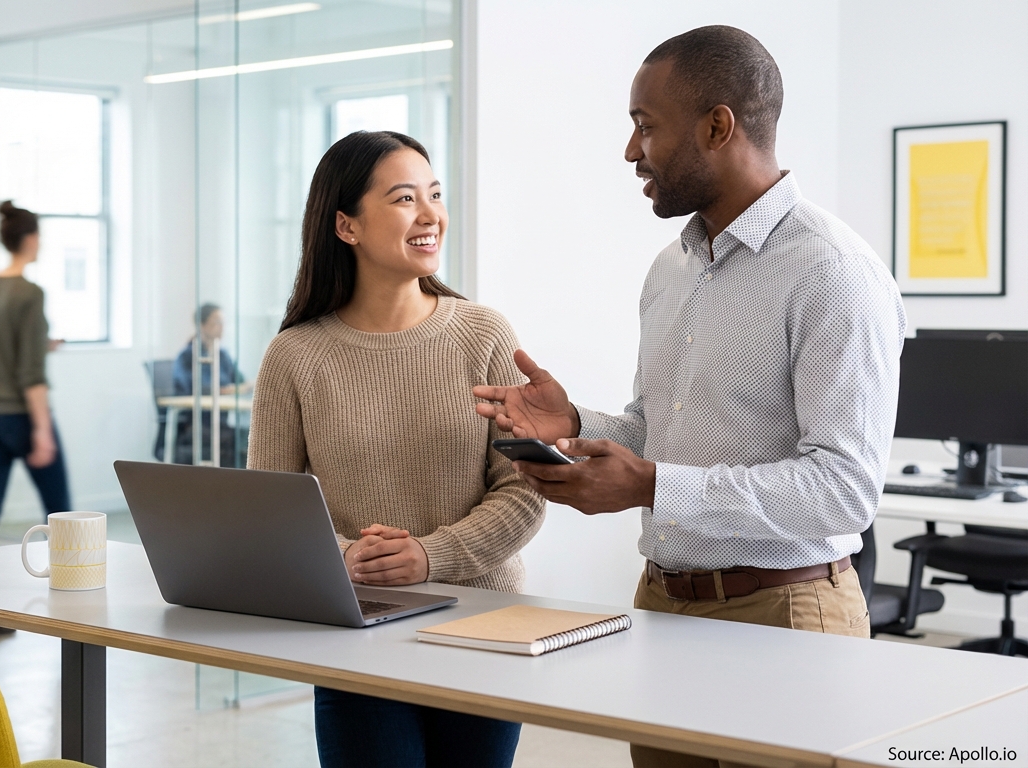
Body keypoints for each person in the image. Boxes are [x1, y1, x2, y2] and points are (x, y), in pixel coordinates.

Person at [473, 26, 905, 768]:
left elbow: (844, 490)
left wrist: (651, 485)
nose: (630, 151)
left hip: (787, 617)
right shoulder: (669, 271)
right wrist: (577, 423)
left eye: (646, 126)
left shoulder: (834, 273)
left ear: (717, 125)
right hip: (665, 608)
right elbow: (656, 426)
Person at [248, 130, 545, 768]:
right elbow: (269, 515)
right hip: (357, 629)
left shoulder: (483, 333)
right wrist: (349, 557)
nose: (431, 215)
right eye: (405, 198)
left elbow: (525, 488)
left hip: (484, 626)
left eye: (434, 196)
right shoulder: (295, 355)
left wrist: (429, 558)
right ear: (346, 226)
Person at [0, 201, 72, 640]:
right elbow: (30, 376)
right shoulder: (30, 293)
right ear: (29, 239)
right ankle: (77, 611)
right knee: (63, 513)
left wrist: (40, 344)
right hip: (20, 418)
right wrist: (42, 429)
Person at [169, 303, 249, 466]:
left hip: (221, 423)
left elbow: (242, 381)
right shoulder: (187, 357)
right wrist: (227, 390)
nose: (221, 327)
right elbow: (195, 389)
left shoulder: (222, 355)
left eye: (223, 322)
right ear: (201, 325)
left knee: (250, 436)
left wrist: (233, 389)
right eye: (216, 322)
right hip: (196, 425)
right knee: (236, 439)